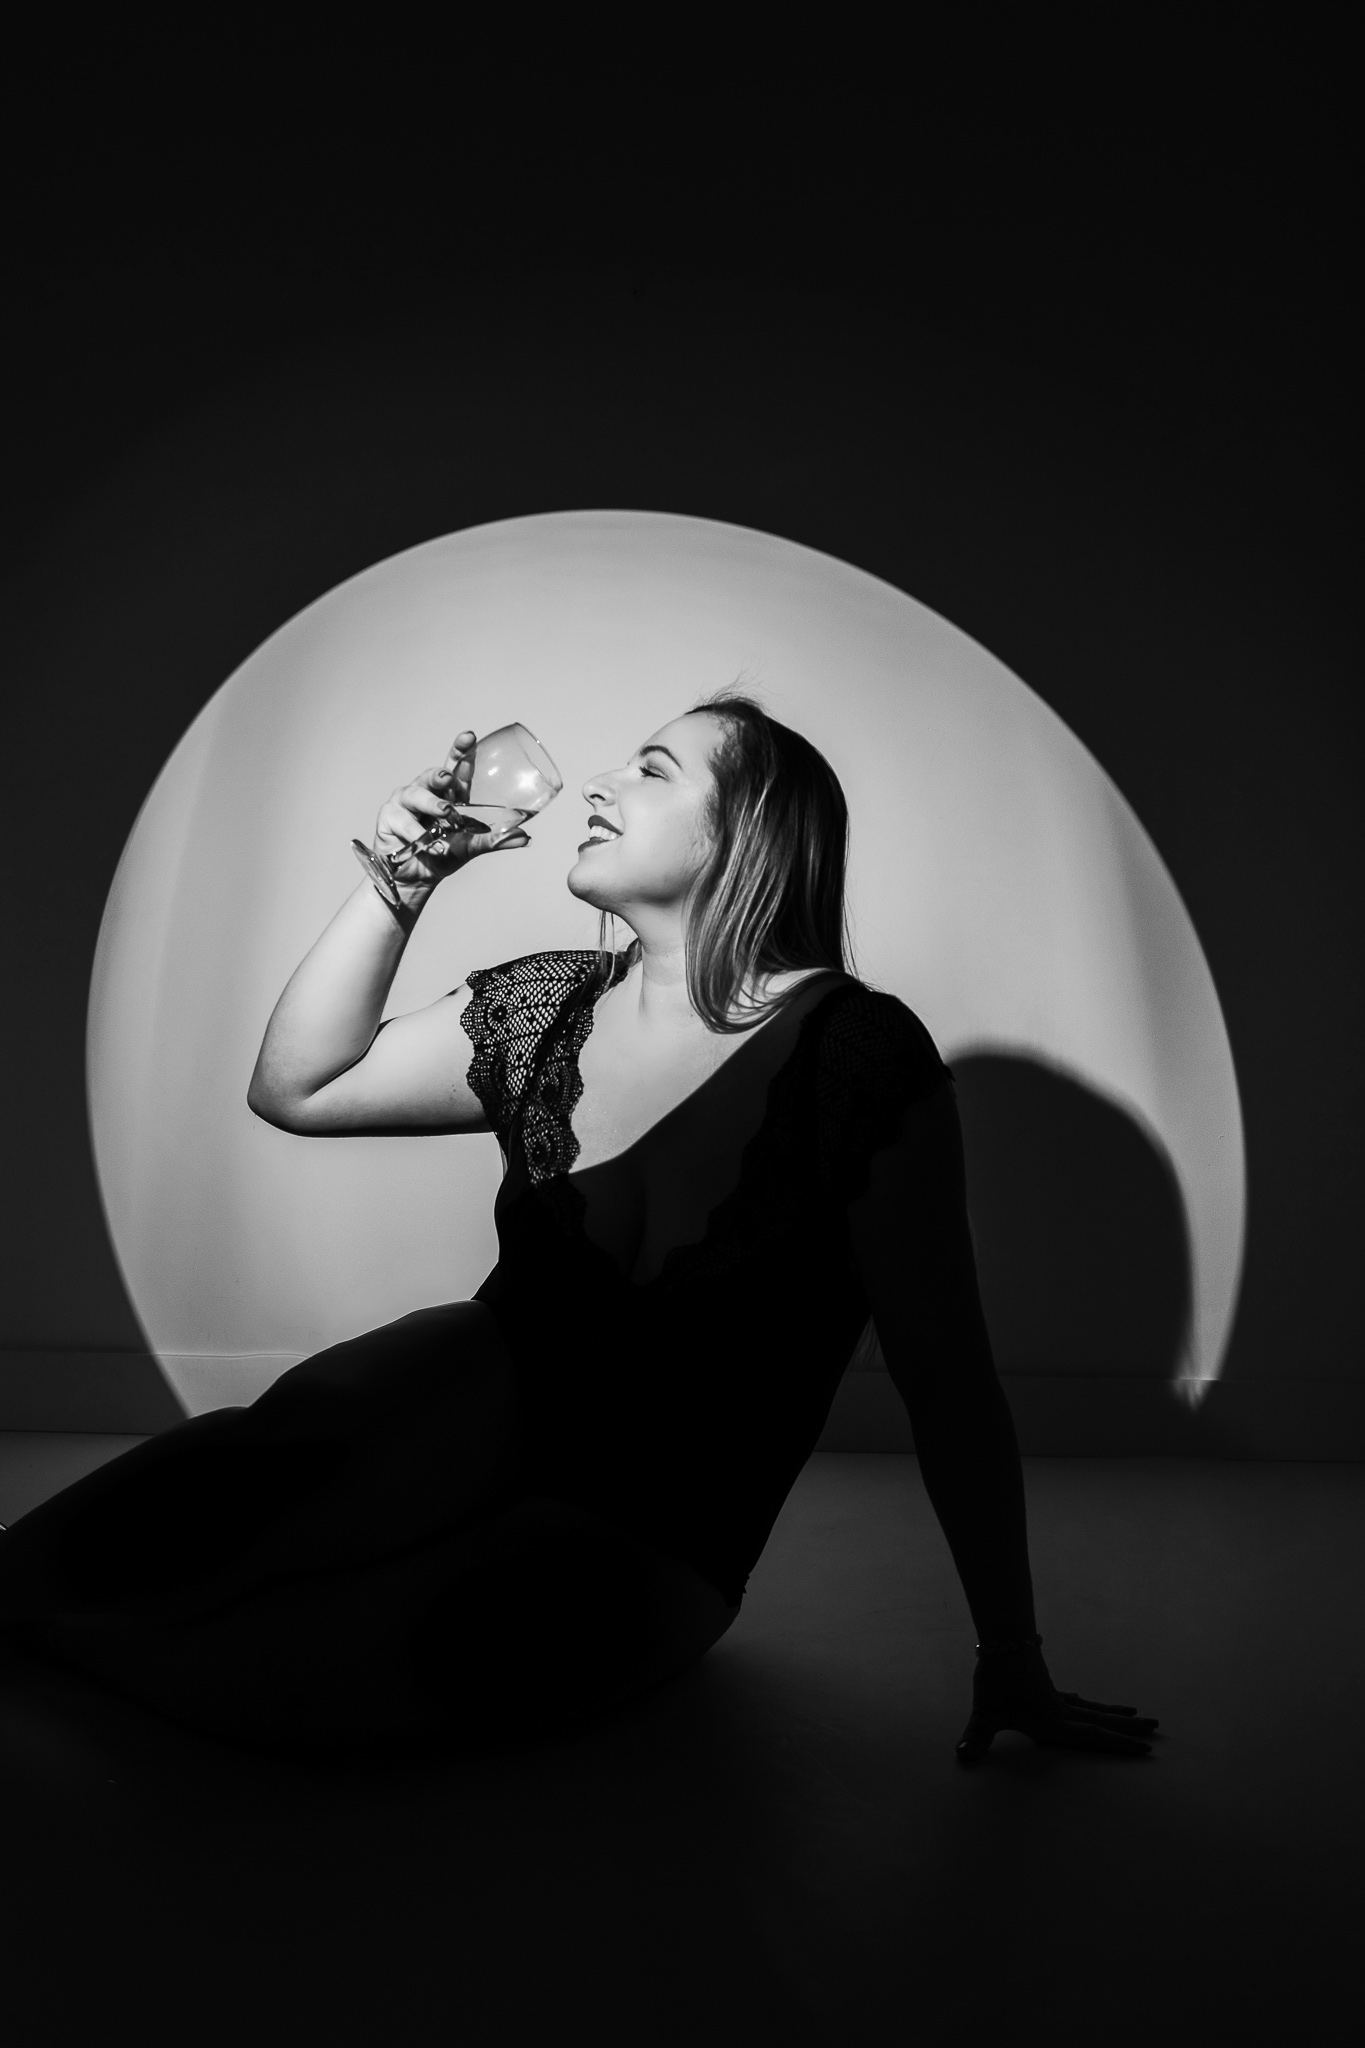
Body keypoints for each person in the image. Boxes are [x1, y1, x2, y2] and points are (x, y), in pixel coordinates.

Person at [0, 693, 1156, 1764]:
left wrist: (1013, 1652)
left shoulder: (856, 1056)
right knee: (245, 1483)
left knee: (299, 1676)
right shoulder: (552, 1005)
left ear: (746, 829)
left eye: (651, 768)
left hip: (657, 1525)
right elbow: (298, 1084)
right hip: (473, 1413)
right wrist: (404, 881)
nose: (599, 782)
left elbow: (947, 1379)